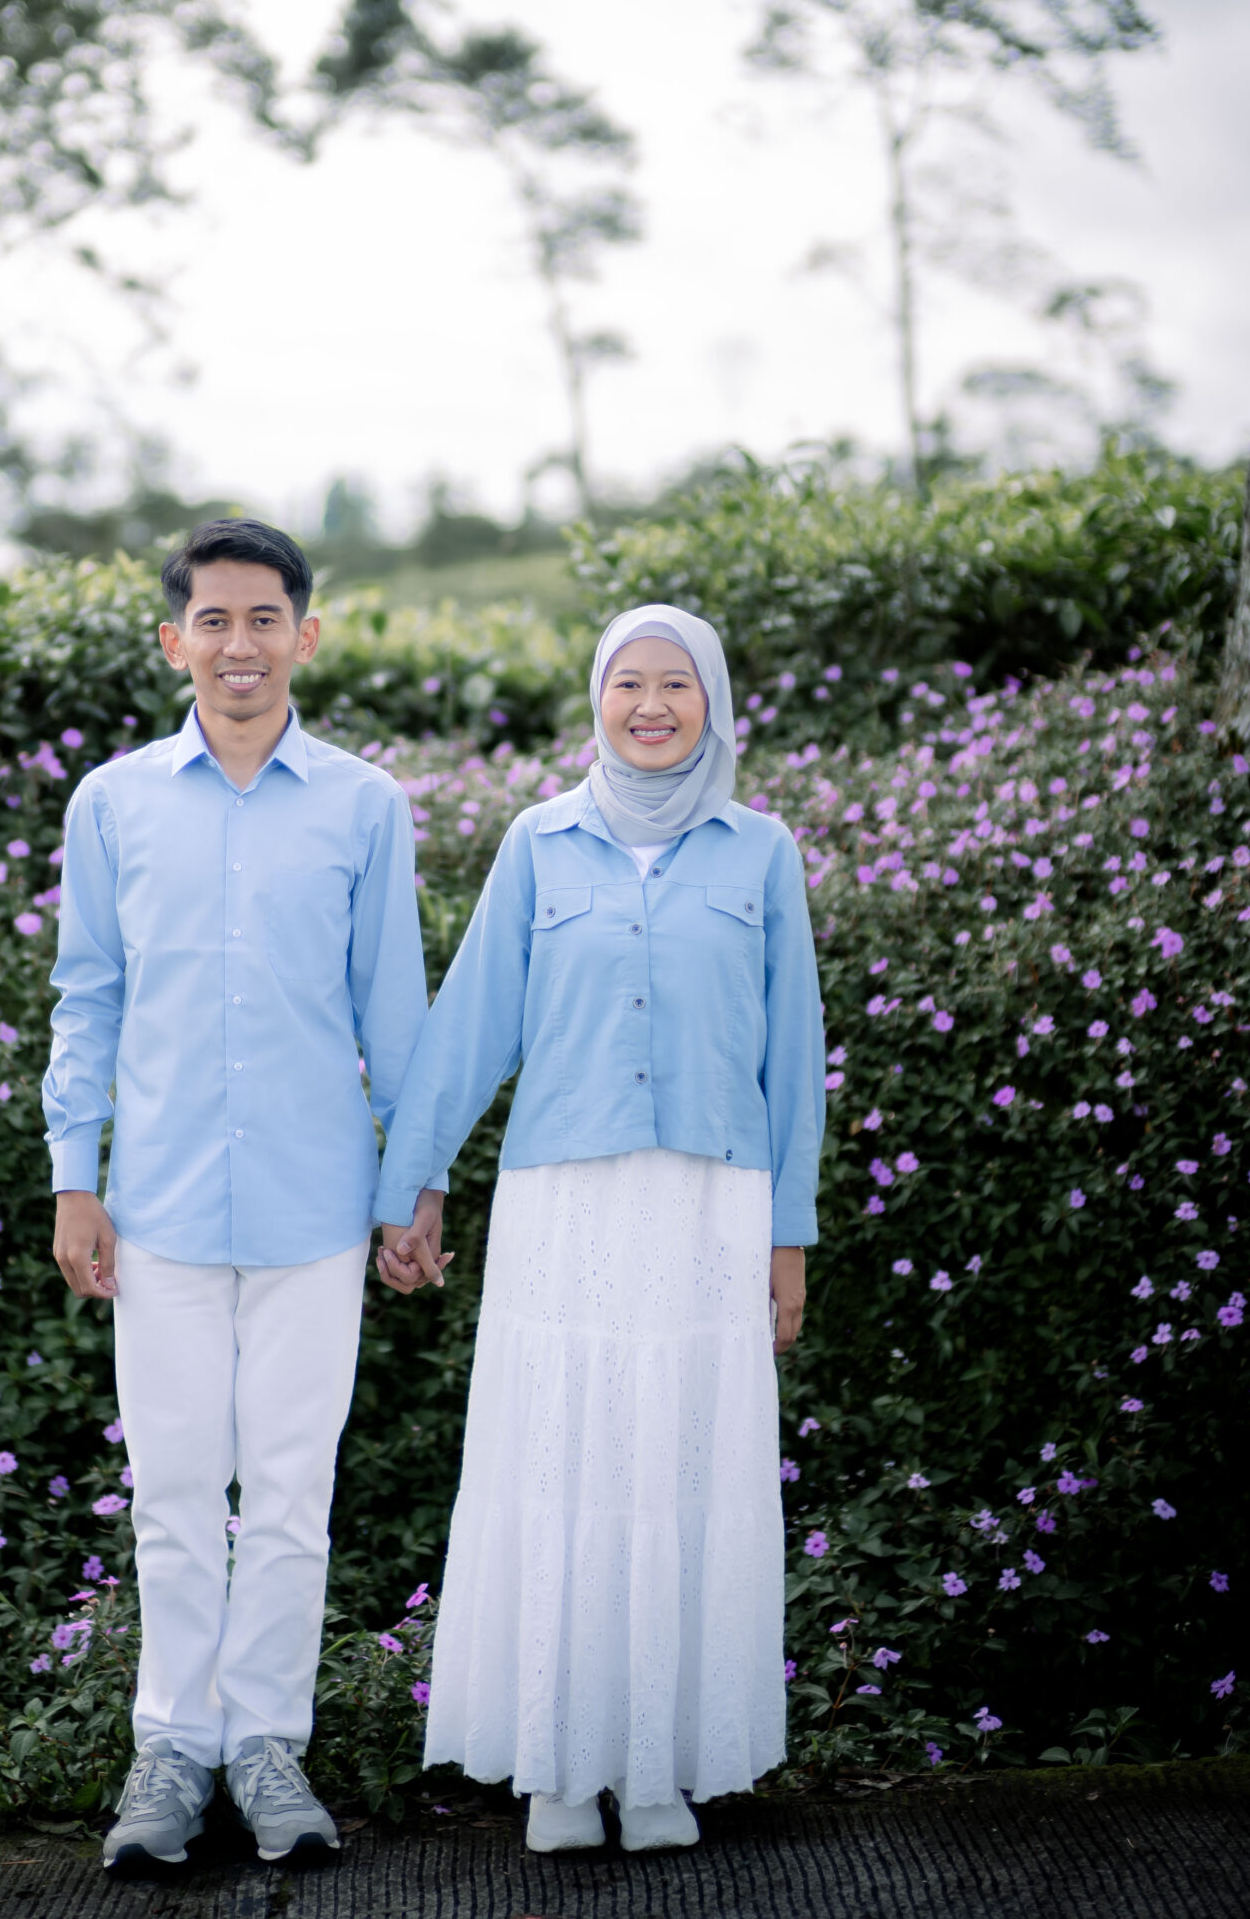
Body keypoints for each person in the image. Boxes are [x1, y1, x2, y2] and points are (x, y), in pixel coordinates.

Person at [374, 604, 824, 1854]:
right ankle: (561, 1771)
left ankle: (662, 1763)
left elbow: (795, 1056)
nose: (652, 705)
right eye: (629, 682)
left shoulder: (761, 852)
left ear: (713, 702)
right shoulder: (540, 843)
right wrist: (411, 1185)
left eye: (677, 683)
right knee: (562, 1461)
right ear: (597, 699)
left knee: (681, 1464)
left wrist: (788, 1235)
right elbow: (472, 1025)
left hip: (711, 1206)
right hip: (564, 1207)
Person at [42, 519, 446, 1878]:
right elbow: (87, 999)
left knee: (286, 1494)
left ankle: (267, 1746)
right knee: (169, 1491)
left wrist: (414, 1189)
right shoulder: (112, 804)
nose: (238, 644)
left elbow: (395, 1011)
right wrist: (74, 1178)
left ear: (304, 635)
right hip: (154, 1210)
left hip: (313, 1213)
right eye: (211, 620)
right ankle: (168, 1753)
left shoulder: (362, 806)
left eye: (263, 617)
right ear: (175, 641)